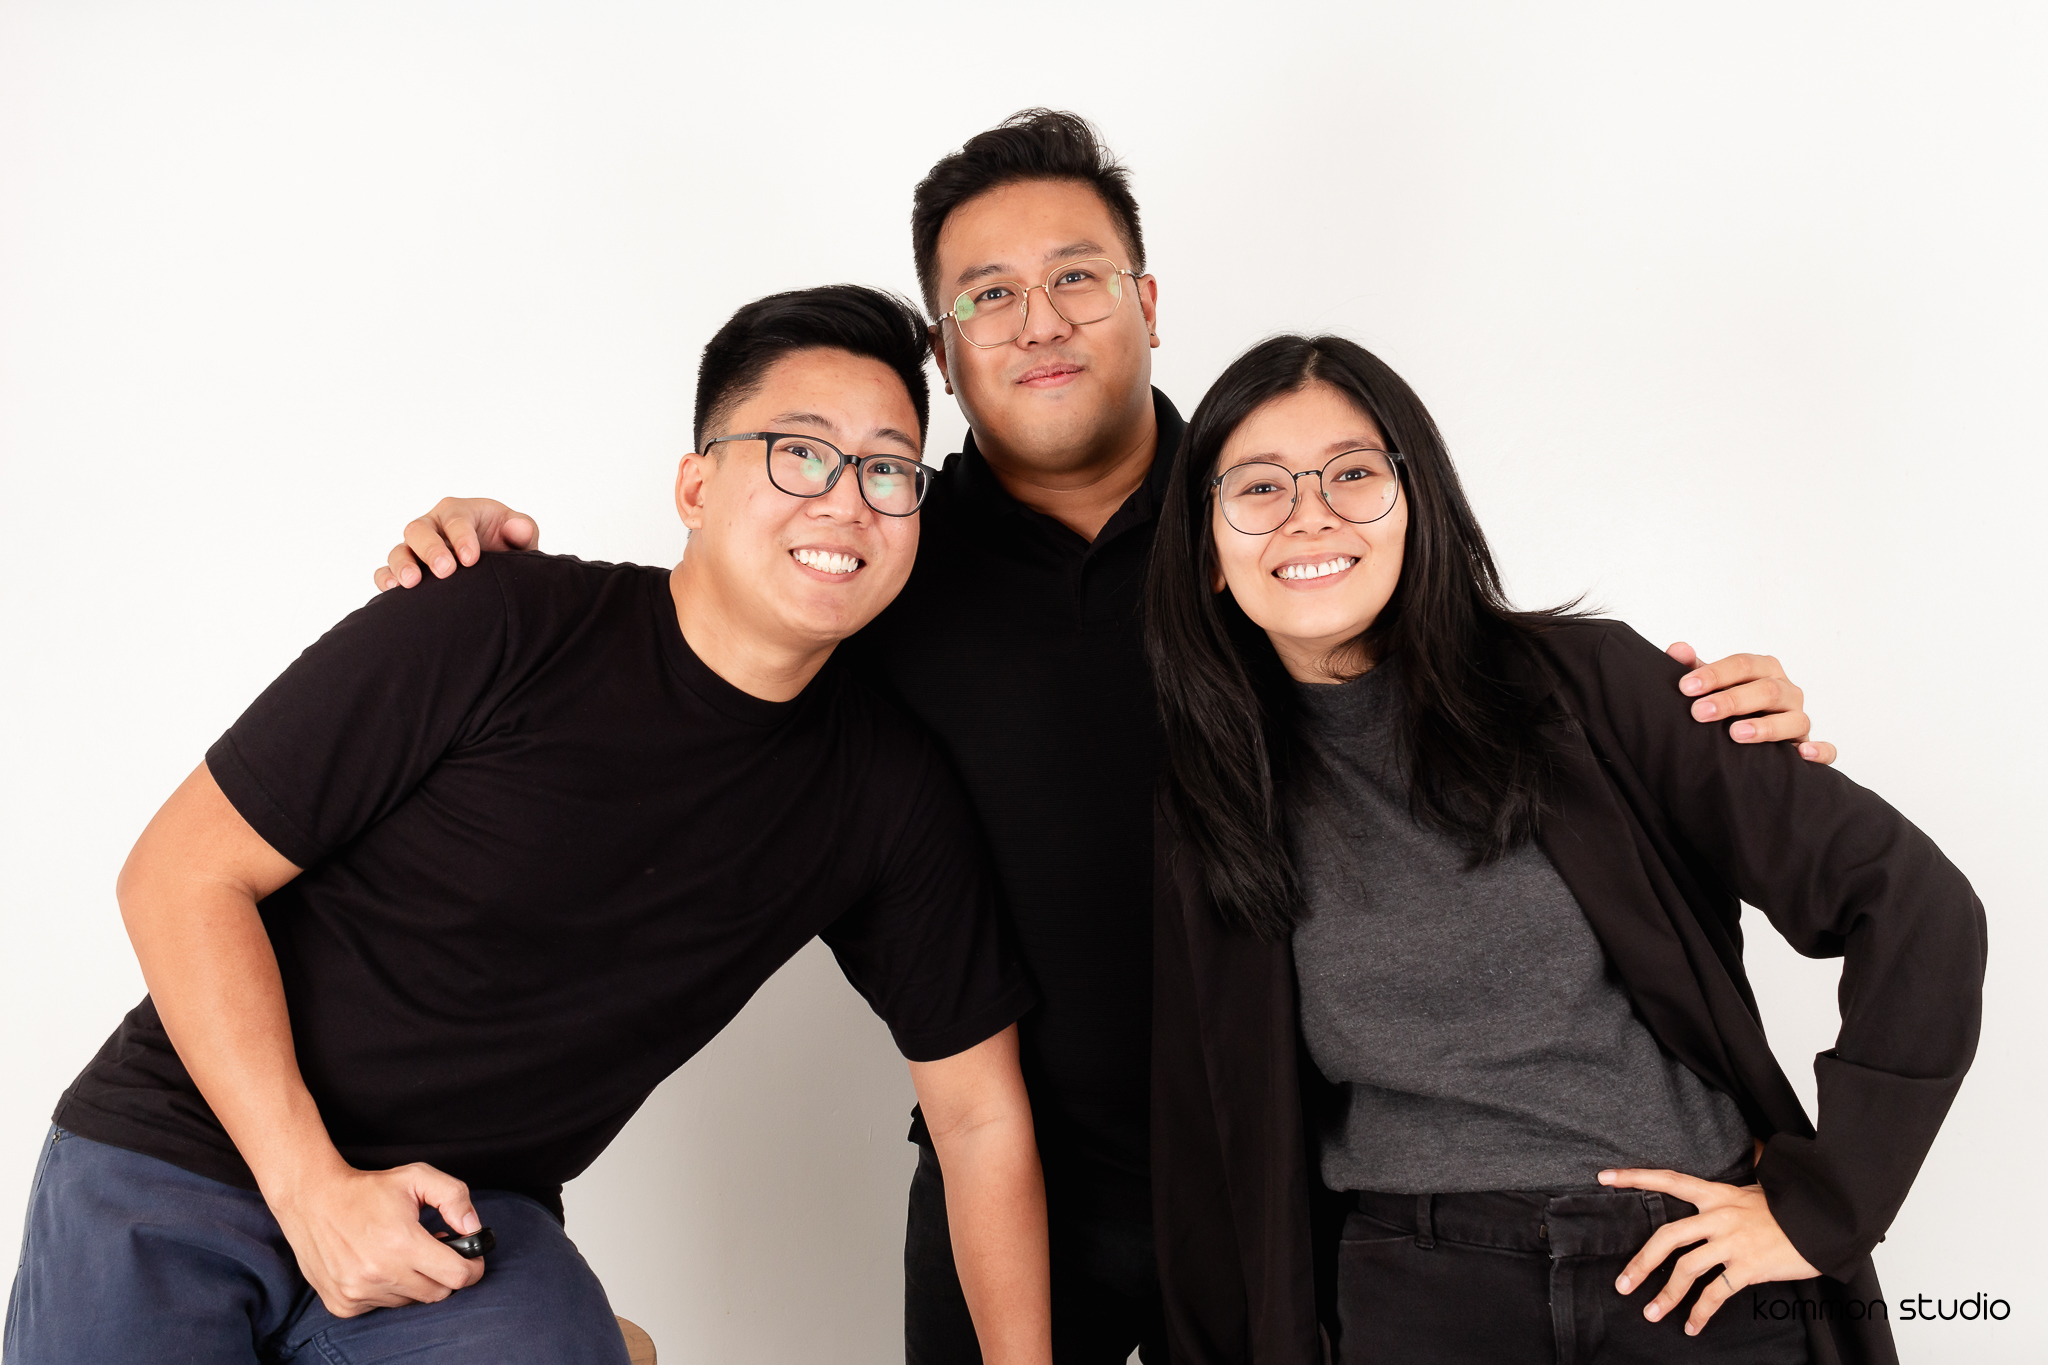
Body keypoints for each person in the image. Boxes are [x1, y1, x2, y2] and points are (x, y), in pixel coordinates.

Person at [366, 112, 1838, 1365]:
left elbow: (1479, 703)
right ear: (944, 347)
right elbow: (705, 653)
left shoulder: (1270, 520)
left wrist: (1701, 743)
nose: (1041, 318)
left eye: (1077, 275)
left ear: (1147, 298)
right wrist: (478, 564)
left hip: (1301, 1161)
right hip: (1000, 1166)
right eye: (989, 294)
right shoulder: (876, 554)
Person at [3, 286, 1054, 1365]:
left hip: (462, 1225)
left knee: (552, 1347)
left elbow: (978, 1122)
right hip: (186, 1156)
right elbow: (178, 875)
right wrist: (312, 1191)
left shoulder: (883, 791)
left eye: (887, 468)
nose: (845, 501)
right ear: (695, 484)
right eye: (798, 452)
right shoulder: (492, 617)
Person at [1142, 334, 1986, 1364]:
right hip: (1413, 1292)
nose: (1309, 513)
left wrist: (1826, 1204)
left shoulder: (1592, 688)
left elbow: (1912, 905)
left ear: (1420, 506)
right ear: (1207, 555)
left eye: (1353, 473)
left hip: (1686, 1280)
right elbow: (1204, 1135)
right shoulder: (1211, 800)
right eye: (1259, 487)